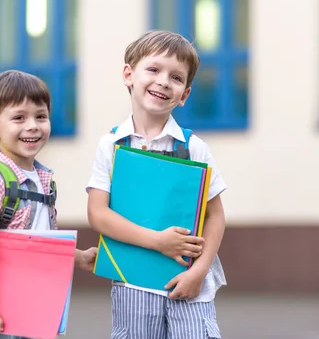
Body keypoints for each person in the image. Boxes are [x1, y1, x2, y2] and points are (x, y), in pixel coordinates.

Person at [87, 30, 227, 338]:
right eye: (153, 69)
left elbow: (215, 216)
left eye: (176, 77)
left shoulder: (195, 147)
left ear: (185, 94)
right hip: (133, 281)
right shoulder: (111, 145)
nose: (164, 81)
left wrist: (199, 272)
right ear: (129, 74)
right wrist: (158, 242)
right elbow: (98, 214)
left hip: (188, 283)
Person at [0, 69, 97, 339]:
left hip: (37, 309)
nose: (33, 126)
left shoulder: (43, 180)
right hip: (1, 318)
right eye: (19, 118)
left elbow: (36, 246)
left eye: (41, 116)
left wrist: (79, 257)